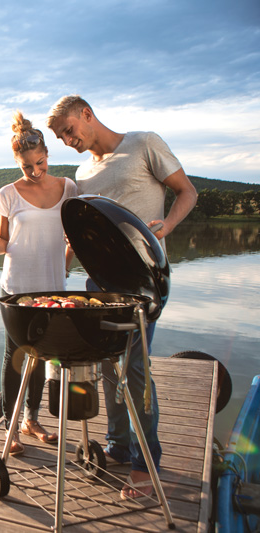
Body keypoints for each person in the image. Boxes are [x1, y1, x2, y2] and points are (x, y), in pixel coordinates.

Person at [47, 95, 197, 500]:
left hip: (144, 282)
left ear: (87, 114)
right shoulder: (82, 173)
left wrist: (166, 226)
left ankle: (146, 465)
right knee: (109, 369)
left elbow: (187, 192)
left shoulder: (144, 144)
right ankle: (117, 446)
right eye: (60, 137)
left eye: (68, 130)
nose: (66, 140)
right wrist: (66, 252)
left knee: (134, 370)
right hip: (99, 285)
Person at [0, 111, 77, 456]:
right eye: (26, 167)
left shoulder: (69, 189)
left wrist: (63, 269)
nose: (35, 173)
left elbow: (72, 239)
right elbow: (5, 241)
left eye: (40, 164)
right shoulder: (7, 194)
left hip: (52, 287)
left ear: (48, 154)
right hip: (18, 285)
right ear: (17, 163)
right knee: (17, 355)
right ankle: (11, 425)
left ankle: (31, 420)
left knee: (43, 353)